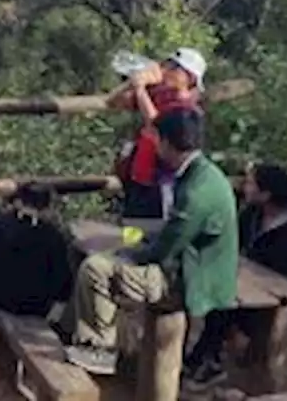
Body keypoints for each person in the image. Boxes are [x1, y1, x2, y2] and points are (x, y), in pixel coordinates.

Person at [64, 108, 239, 375]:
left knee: (95, 268)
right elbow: (171, 231)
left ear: (167, 141)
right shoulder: (204, 174)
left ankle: (99, 349)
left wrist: (125, 253)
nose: (154, 145)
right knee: (116, 245)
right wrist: (130, 237)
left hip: (191, 279)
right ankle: (93, 337)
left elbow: (161, 251)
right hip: (194, 265)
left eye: (156, 139)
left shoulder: (196, 192)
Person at [183, 164, 287, 388]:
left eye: (249, 183)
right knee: (217, 296)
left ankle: (208, 360)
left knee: (223, 307)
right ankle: (205, 357)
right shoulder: (254, 213)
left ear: (266, 194)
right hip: (253, 283)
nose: (243, 186)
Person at [0, 183, 73, 365]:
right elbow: (63, 283)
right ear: (46, 207)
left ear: (18, 201)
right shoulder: (53, 235)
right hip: (33, 307)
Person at [107, 48, 207, 219]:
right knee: (131, 231)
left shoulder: (186, 108)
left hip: (161, 180)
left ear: (189, 77)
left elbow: (157, 124)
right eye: (166, 64)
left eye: (174, 67)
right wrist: (134, 81)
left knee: (153, 232)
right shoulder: (159, 94)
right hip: (139, 177)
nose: (166, 69)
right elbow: (112, 101)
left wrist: (140, 90)